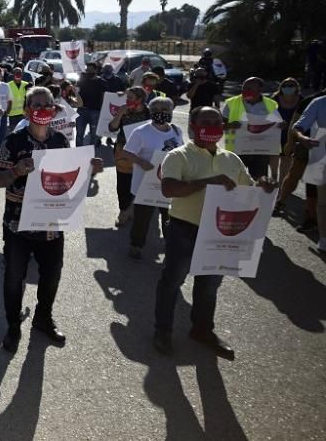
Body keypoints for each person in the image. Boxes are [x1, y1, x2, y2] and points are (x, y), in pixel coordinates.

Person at [153, 107, 276, 358]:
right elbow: (169, 190)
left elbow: (248, 190)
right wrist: (207, 182)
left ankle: (202, 329)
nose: (211, 126)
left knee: (209, 286)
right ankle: (163, 331)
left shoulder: (231, 159)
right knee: (172, 283)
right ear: (194, 126)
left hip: (218, 234)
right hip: (184, 230)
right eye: (205, 122)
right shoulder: (178, 156)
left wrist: (263, 186)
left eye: (217, 122)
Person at [0, 87, 104, 352]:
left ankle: (43, 318)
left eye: (48, 105)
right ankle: (13, 325)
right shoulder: (13, 142)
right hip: (18, 225)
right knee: (13, 277)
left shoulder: (61, 142)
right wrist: (17, 170)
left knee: (51, 276)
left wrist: (89, 170)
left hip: (52, 225)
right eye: (36, 105)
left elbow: (68, 182)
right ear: (28, 110)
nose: (42, 109)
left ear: (54, 110)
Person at [118, 97, 184, 260]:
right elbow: (126, 152)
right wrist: (141, 162)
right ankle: (136, 245)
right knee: (142, 219)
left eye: (166, 110)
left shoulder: (176, 131)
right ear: (152, 112)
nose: (162, 113)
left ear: (171, 112)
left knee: (171, 218)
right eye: (157, 110)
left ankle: (171, 245)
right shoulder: (141, 131)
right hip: (145, 184)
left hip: (169, 184)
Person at [222, 77, 282, 180]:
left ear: (259, 90)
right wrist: (230, 125)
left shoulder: (271, 104)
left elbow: (275, 126)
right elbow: (219, 125)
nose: (245, 91)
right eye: (244, 88)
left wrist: (281, 125)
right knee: (235, 181)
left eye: (249, 89)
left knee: (259, 182)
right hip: (236, 151)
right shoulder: (231, 103)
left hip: (261, 151)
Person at [108, 87, 151, 227]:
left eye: (131, 98)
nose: (127, 101)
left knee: (139, 183)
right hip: (123, 151)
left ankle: (132, 210)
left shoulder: (149, 112)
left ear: (140, 99)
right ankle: (123, 211)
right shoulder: (124, 111)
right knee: (123, 183)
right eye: (127, 98)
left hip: (143, 152)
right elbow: (112, 128)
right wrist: (119, 114)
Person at [291, 94, 326, 252]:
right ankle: (324, 239)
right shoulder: (319, 103)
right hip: (321, 159)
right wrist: (302, 138)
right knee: (323, 201)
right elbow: (298, 126)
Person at [268, 78, 301, 184]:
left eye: (291, 85)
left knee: (287, 159)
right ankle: (273, 178)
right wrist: (276, 123)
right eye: (285, 85)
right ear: (281, 87)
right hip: (275, 132)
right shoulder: (275, 98)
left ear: (296, 87)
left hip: (292, 134)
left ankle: (282, 182)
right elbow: (266, 115)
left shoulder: (301, 100)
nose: (288, 88)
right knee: (274, 157)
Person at [75, 62, 106, 147]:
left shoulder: (101, 82)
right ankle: (77, 151)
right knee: (79, 134)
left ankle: (91, 153)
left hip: (95, 111)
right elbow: (75, 93)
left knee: (94, 135)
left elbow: (104, 97)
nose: (89, 72)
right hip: (82, 110)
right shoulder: (81, 80)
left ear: (96, 70)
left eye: (91, 70)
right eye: (87, 70)